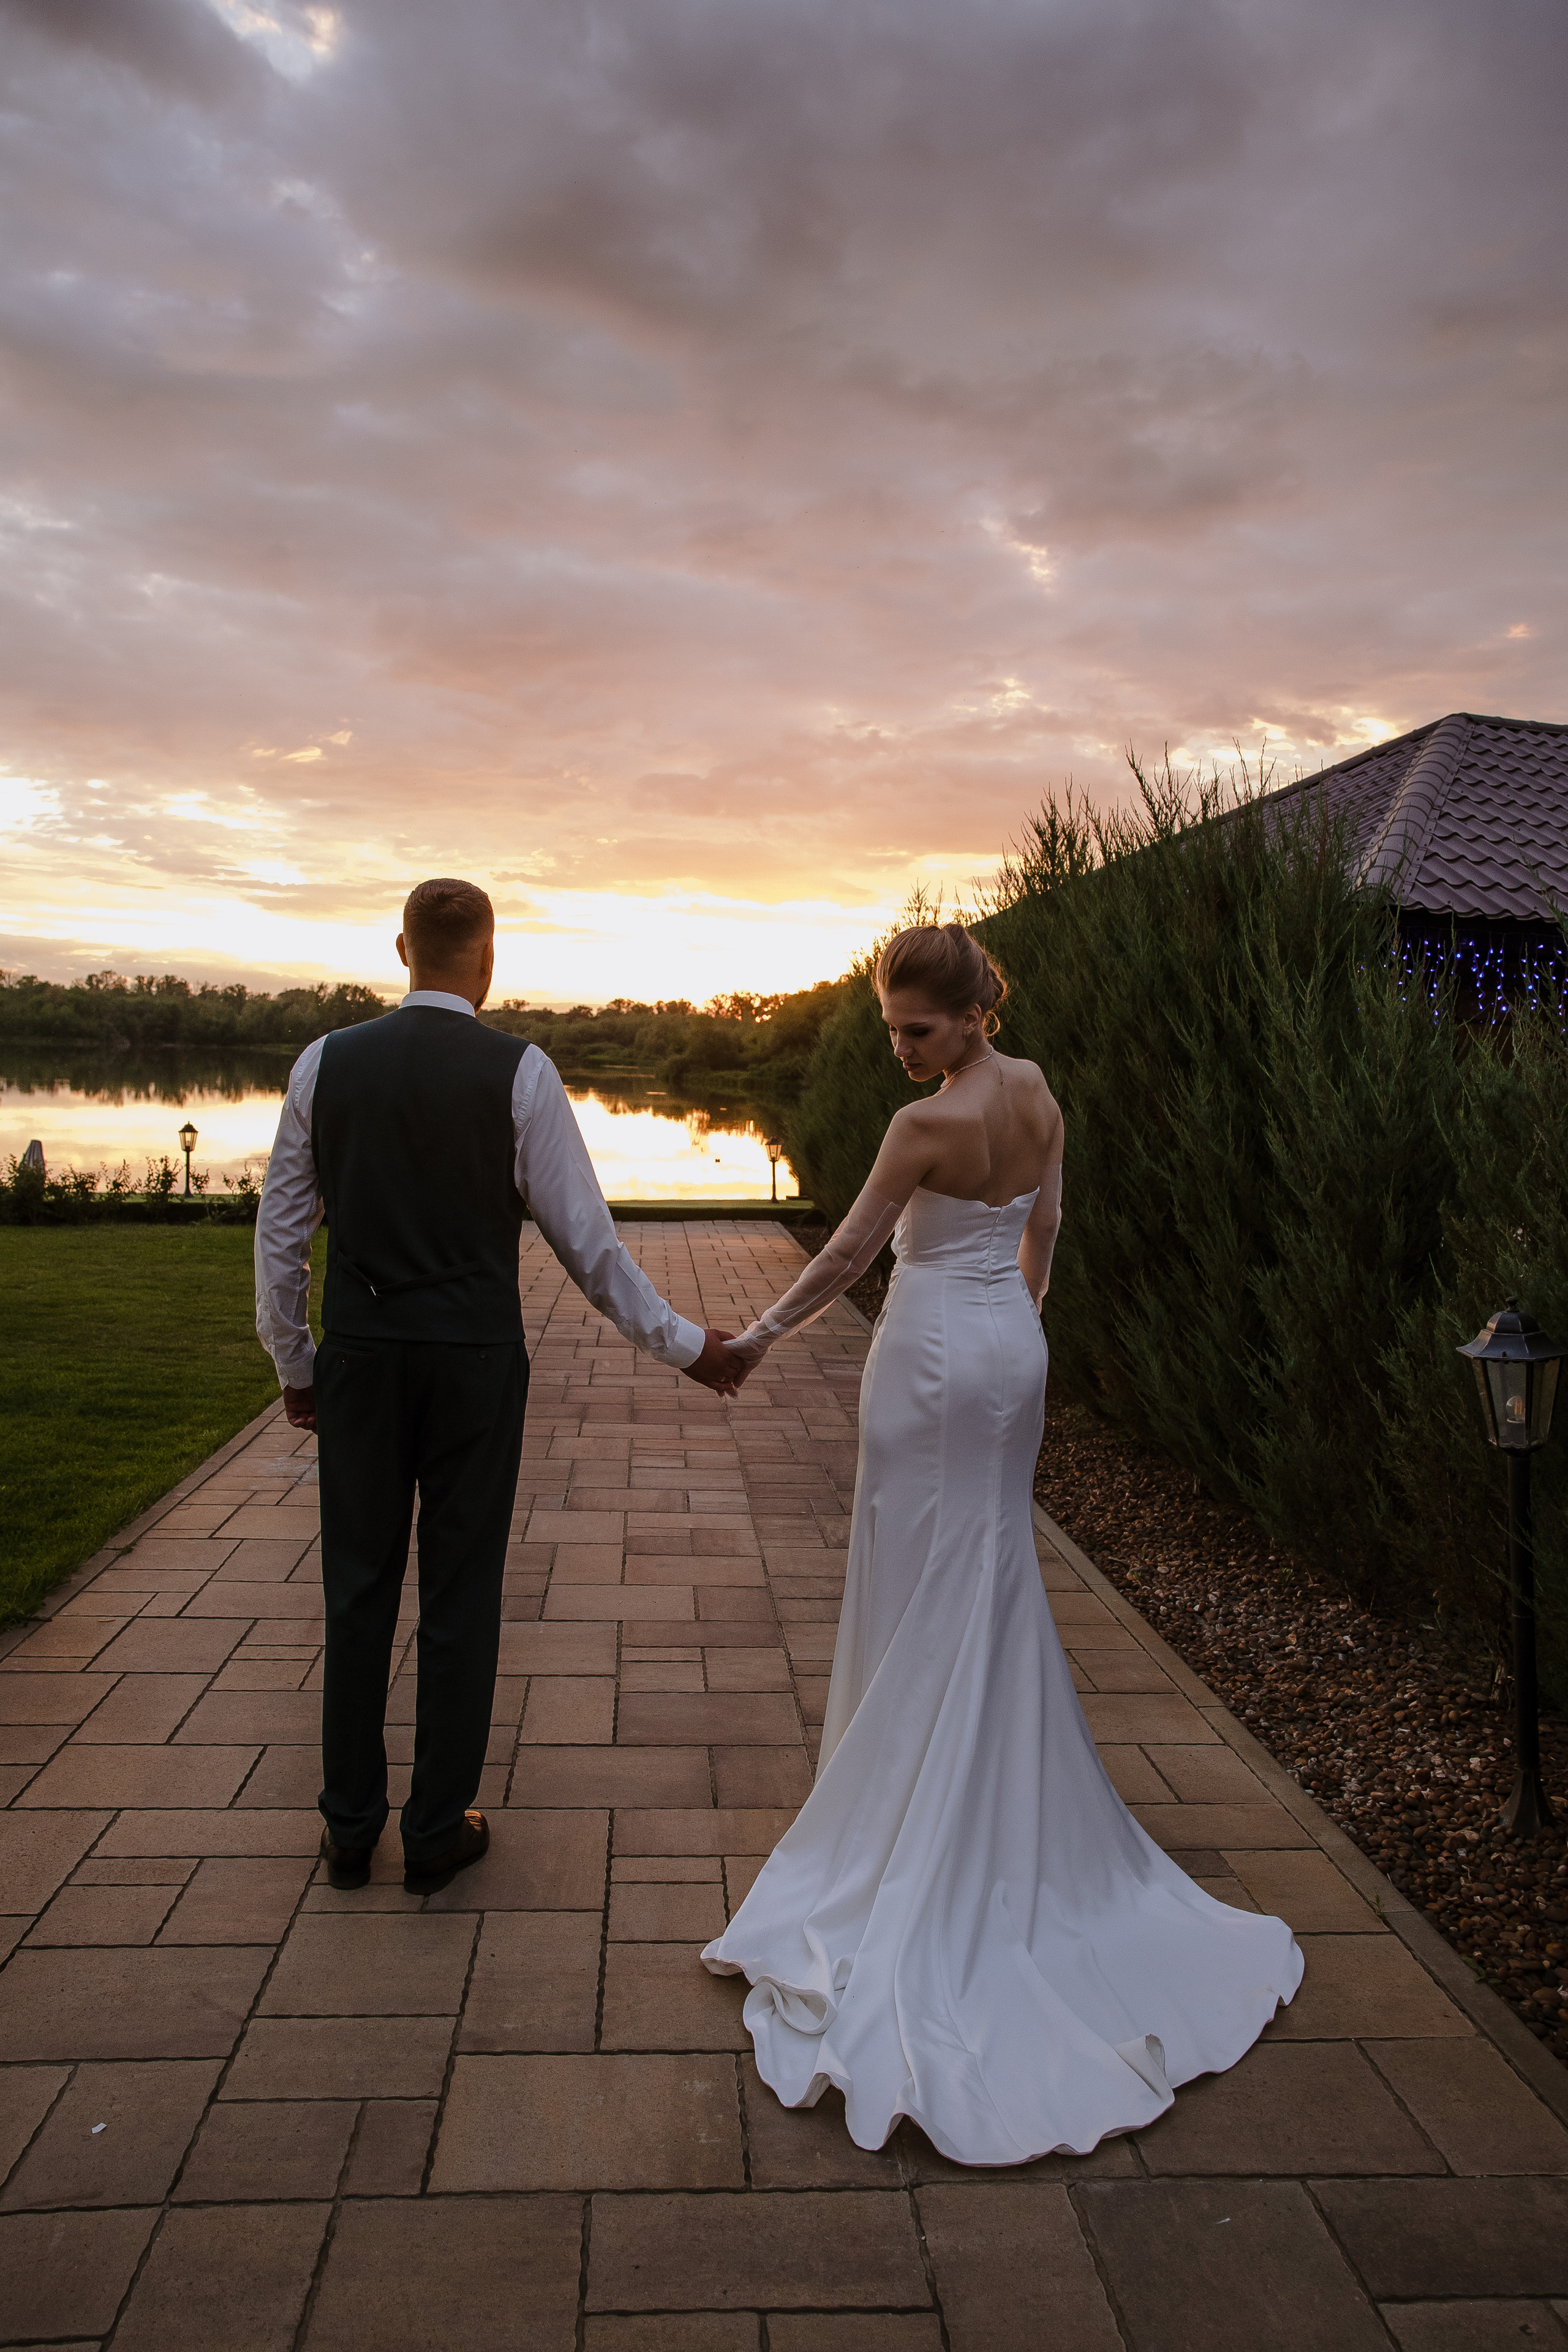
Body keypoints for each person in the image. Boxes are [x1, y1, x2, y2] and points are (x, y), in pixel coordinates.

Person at [702, 922, 1302, 2163]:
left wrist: (755, 1339)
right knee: (980, 1573)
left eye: (916, 1030)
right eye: (890, 1031)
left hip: (924, 1357)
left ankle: (906, 1836)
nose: (903, 1049)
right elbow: (1046, 1230)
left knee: (925, 1572)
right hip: (1003, 1353)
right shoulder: (1038, 1095)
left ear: (969, 1015)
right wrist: (1011, 1328)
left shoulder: (926, 1127)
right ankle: (973, 1808)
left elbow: (851, 1252)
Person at [254, 878, 745, 1898]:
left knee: (356, 1585)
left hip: (361, 1358)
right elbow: (588, 1246)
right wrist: (688, 1345)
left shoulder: (323, 1064)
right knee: (462, 1587)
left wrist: (295, 1365)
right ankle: (434, 1830)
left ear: (401, 950)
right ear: (487, 960)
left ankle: (350, 1830)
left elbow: (282, 1237)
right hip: (473, 1361)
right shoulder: (521, 1072)